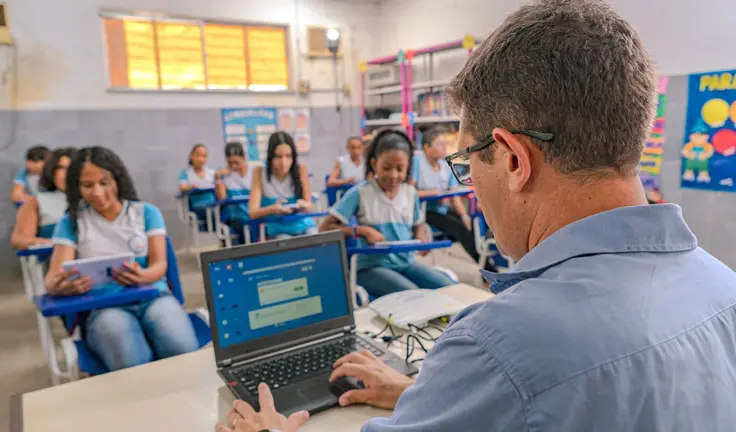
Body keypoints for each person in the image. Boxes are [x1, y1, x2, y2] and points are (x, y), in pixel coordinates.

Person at [219, 1, 736, 431]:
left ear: (513, 160)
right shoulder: (724, 291)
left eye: (466, 162)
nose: (470, 187)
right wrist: (426, 396)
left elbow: (523, 384)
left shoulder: (496, 347)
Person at [45, 146, 198, 371]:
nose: (97, 193)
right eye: (87, 185)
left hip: (153, 298)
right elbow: (51, 280)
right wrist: (62, 287)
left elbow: (160, 265)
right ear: (77, 187)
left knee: (181, 349)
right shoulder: (71, 222)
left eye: (104, 182)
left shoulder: (146, 213)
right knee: (132, 362)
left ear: (117, 179)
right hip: (104, 308)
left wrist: (143, 275)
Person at [319, 130, 454, 297]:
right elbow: (325, 228)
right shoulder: (360, 192)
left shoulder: (410, 193)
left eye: (400, 169)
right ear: (374, 163)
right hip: (371, 268)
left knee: (451, 289)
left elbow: (418, 224)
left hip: (406, 263)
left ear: (408, 167)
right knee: (416, 296)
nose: (393, 175)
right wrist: (361, 231)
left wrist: (421, 237)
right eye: (386, 168)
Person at [412, 126, 482, 265]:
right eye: (439, 144)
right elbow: (409, 191)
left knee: (469, 224)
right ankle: (486, 268)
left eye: (445, 144)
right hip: (424, 212)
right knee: (458, 228)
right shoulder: (417, 162)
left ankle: (484, 263)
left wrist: (464, 216)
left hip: (442, 209)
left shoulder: (445, 165)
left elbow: (453, 195)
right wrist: (433, 192)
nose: (443, 147)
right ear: (427, 147)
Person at [248, 131, 317, 240]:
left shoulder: (301, 170)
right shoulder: (259, 172)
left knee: (315, 238)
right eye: (278, 156)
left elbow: (310, 206)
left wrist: (304, 205)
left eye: (288, 156)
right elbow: (253, 212)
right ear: (270, 156)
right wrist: (273, 209)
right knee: (284, 242)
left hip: (303, 224)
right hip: (278, 229)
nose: (284, 162)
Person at [11, 147, 75, 249]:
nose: (66, 174)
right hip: (53, 259)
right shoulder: (37, 201)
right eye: (61, 168)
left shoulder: (94, 200)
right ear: (51, 171)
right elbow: (19, 239)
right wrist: (58, 244)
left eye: (71, 168)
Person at [215, 141, 254, 244]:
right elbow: (221, 197)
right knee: (245, 233)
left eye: (237, 162)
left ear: (244, 157)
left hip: (254, 214)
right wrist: (218, 178)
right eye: (230, 163)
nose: (234, 166)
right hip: (236, 217)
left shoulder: (254, 172)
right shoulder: (225, 174)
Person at [179, 143, 218, 229]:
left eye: (204, 156)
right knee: (213, 214)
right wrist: (191, 187)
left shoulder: (212, 173)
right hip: (197, 206)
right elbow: (182, 187)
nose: (201, 159)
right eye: (198, 155)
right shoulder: (185, 173)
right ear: (191, 156)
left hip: (214, 205)